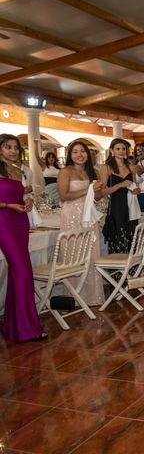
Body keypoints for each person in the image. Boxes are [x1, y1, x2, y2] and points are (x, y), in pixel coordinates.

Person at [0, 134, 47, 343]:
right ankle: (25, 329)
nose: (13, 151)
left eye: (16, 148)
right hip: (4, 223)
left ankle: (13, 325)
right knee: (23, 271)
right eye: (8, 147)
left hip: (20, 222)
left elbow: (23, 197)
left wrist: (27, 203)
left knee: (18, 272)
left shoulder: (19, 171)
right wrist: (9, 206)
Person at [57, 141, 105, 306]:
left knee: (91, 253)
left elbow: (97, 197)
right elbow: (63, 196)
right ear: (70, 154)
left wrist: (98, 189)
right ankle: (75, 297)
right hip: (71, 214)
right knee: (74, 253)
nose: (79, 155)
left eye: (82, 151)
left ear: (88, 154)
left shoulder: (93, 171)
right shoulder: (66, 171)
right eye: (75, 152)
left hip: (88, 214)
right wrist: (89, 189)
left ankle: (92, 296)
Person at [98, 139, 140, 253]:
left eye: (123, 149)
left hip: (131, 207)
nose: (121, 151)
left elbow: (135, 186)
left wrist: (136, 190)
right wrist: (120, 185)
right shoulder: (106, 168)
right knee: (118, 237)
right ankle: (117, 269)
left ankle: (132, 268)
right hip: (116, 207)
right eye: (118, 149)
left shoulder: (131, 167)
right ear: (112, 150)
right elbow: (102, 192)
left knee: (132, 237)